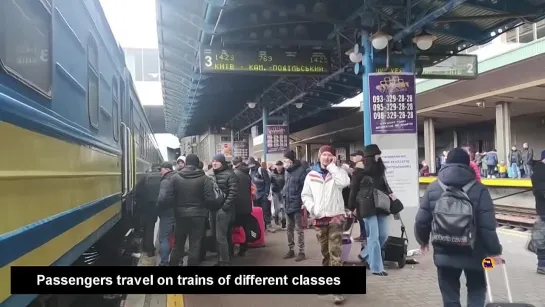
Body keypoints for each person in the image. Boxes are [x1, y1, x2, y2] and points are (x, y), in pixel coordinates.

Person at [415, 148, 503, 307]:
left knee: (450, 294)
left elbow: (422, 220)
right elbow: (487, 226)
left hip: (444, 248)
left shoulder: (434, 188)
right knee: (477, 288)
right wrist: (494, 251)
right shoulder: (479, 189)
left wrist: (423, 241)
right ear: (467, 164)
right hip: (474, 251)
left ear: (447, 162)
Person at [301, 145, 350, 304]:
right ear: (319, 156)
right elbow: (306, 195)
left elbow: (344, 183)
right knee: (325, 253)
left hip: (336, 218)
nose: (326, 157)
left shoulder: (338, 173)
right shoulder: (311, 175)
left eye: (330, 155)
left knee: (335, 252)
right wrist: (312, 208)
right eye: (324, 155)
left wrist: (333, 167)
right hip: (319, 218)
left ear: (333, 157)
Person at [348, 144, 394, 276]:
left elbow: (385, 184)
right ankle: (377, 268)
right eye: (377, 154)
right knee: (373, 237)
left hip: (381, 204)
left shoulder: (380, 168)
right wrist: (352, 207)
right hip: (366, 204)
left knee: (383, 235)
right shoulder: (359, 169)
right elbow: (353, 189)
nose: (379, 156)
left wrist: (391, 195)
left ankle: (365, 253)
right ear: (371, 155)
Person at [168, 154, 215, 266]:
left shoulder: (175, 178)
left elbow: (169, 196)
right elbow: (210, 199)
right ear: (197, 163)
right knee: (195, 245)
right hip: (198, 216)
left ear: (186, 163)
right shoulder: (205, 179)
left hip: (180, 216)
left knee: (178, 244)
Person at [211, 153, 238, 266]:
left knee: (220, 236)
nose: (214, 163)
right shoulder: (212, 174)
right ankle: (222, 258)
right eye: (213, 161)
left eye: (217, 161)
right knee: (220, 235)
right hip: (214, 209)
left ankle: (224, 261)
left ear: (222, 163)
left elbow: (233, 192)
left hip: (224, 210)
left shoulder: (230, 175)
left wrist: (224, 207)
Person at [282, 150, 309, 261]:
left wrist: (304, 203)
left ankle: (301, 251)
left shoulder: (301, 171)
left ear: (291, 161)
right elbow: (286, 186)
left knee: (299, 229)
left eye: (286, 160)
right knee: (289, 228)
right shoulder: (287, 172)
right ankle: (291, 249)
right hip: (287, 203)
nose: (284, 163)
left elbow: (305, 188)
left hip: (297, 204)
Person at [133, 163, 162, 258]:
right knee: (160, 227)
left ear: (151, 168)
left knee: (147, 227)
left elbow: (136, 191)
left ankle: (148, 249)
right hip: (161, 205)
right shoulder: (164, 177)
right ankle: (159, 249)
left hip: (147, 206)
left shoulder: (145, 177)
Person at [154, 162, 178, 266]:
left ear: (167, 169)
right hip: (178, 212)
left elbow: (162, 198)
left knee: (164, 238)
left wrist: (158, 208)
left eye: (161, 169)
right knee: (177, 238)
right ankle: (177, 261)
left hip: (167, 213)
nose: (160, 172)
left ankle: (164, 262)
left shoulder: (165, 181)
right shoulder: (178, 178)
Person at [231, 157, 253, 257]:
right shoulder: (247, 173)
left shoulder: (234, 174)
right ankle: (244, 247)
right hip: (247, 204)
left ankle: (235, 247)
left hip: (237, 205)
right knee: (245, 226)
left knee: (236, 228)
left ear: (233, 164)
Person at [248, 157, 273, 232]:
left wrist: (266, 193)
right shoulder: (249, 171)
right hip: (255, 195)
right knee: (258, 211)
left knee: (265, 210)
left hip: (263, 194)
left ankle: (268, 225)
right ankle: (261, 226)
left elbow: (267, 182)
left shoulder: (261, 170)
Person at [530, 150, 545, 274]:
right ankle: (542, 264)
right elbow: (542, 191)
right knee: (542, 238)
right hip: (544, 210)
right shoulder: (540, 172)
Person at [349, 150, 366, 243]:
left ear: (360, 156)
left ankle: (364, 235)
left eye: (355, 156)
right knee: (362, 217)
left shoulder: (359, 168)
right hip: (365, 197)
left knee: (361, 217)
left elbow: (354, 186)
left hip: (359, 197)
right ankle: (363, 234)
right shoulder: (366, 166)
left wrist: (351, 205)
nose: (353, 158)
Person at [271, 161, 287, 229]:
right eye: (277, 165)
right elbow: (270, 182)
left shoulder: (285, 173)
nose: (279, 167)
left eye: (280, 165)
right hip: (276, 192)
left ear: (282, 166)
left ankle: (284, 222)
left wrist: (284, 190)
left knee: (284, 207)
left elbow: (287, 182)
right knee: (277, 208)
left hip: (283, 192)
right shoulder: (272, 174)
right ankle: (276, 217)